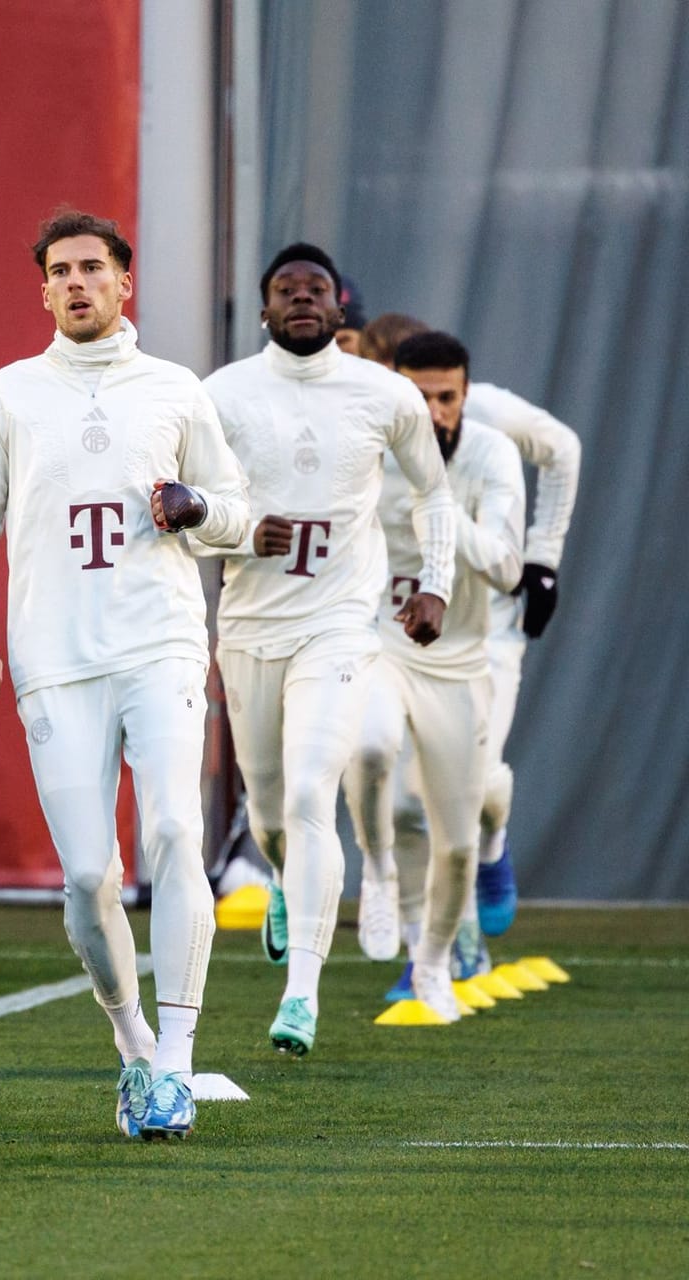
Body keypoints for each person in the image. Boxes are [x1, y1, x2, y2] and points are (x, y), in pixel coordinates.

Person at [0, 209, 248, 1139]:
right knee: (86, 875)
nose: (77, 283)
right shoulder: (5, 396)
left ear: (125, 284)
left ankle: (179, 1064)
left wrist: (195, 507)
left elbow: (238, 513)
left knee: (171, 830)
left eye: (93, 268)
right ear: (41, 290)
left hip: (157, 644)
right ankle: (133, 1052)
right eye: (60, 271)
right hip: (54, 659)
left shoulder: (174, 389)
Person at [198, 243, 456, 1056]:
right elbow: (179, 508)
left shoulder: (385, 393)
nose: (302, 299)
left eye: (316, 289)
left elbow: (432, 492)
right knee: (273, 814)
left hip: (341, 623)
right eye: (285, 289)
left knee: (315, 788)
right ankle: (280, 879)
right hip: (250, 626)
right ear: (266, 309)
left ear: (340, 308)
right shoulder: (221, 395)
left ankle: (301, 993)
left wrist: (435, 583)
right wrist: (235, 532)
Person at [358, 311, 582, 936]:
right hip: (399, 629)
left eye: (439, 393)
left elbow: (562, 449)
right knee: (400, 788)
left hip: (486, 628)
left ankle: (491, 842)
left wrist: (544, 558)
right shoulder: (366, 429)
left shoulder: (487, 422)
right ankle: (424, 945)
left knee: (473, 782)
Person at [344, 331, 523, 1022]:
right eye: (419, 397)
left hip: (461, 660)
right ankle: (381, 873)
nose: (433, 411)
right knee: (372, 754)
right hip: (381, 645)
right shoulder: (368, 456)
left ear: (465, 397)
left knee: (458, 841)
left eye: (445, 397)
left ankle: (435, 961)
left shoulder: (492, 453)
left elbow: (507, 567)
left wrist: (439, 506)